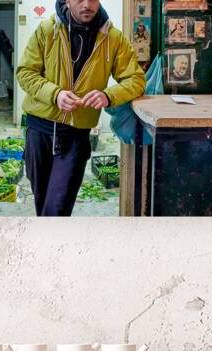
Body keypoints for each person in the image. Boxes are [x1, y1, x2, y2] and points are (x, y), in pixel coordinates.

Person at [17, 0, 146, 216]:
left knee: (56, 209)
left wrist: (108, 95)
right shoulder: (47, 30)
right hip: (39, 130)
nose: (87, 5)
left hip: (75, 136)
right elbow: (25, 72)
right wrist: (55, 94)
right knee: (43, 205)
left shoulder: (112, 38)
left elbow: (136, 79)